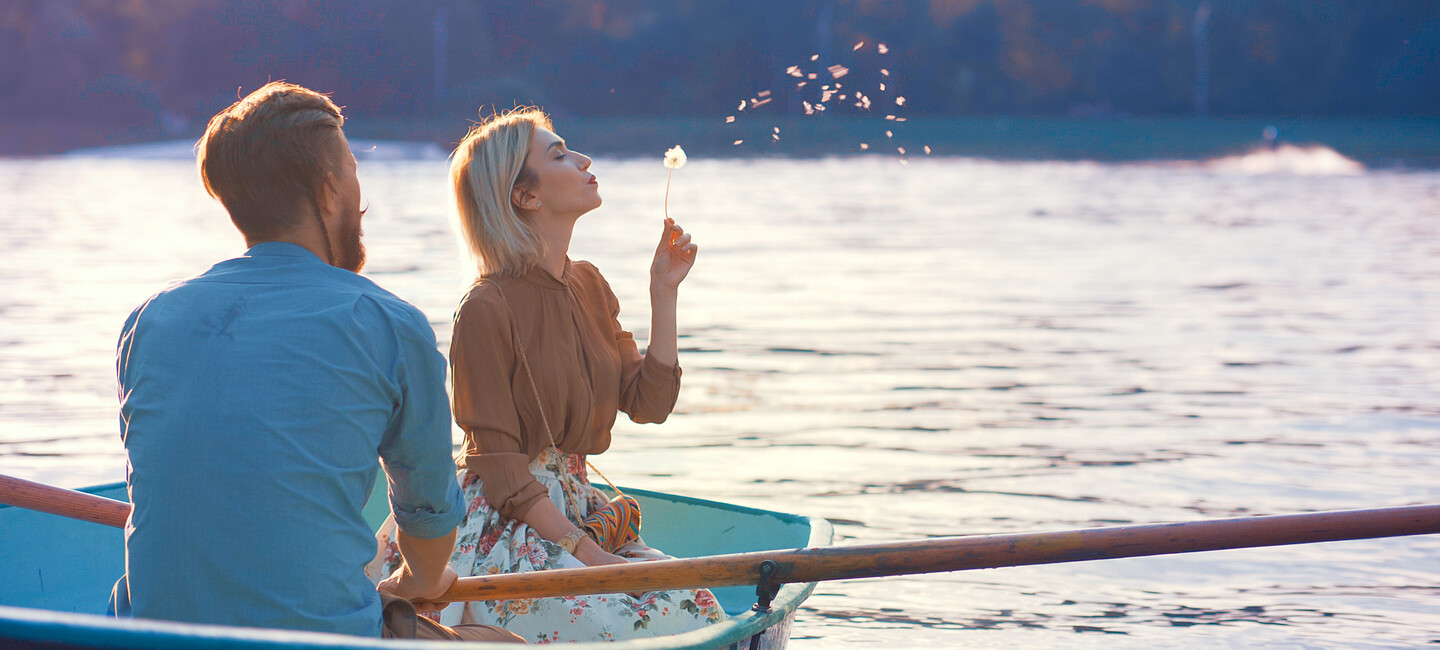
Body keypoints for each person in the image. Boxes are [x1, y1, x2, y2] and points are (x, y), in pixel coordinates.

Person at [109, 81, 521, 643]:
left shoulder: (148, 321)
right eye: (353, 171)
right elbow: (428, 523)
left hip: (147, 636)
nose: (361, 194)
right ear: (329, 192)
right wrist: (420, 578)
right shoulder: (387, 322)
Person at [378, 108, 724, 642]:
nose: (585, 160)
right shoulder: (485, 307)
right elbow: (499, 468)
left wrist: (664, 291)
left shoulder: (588, 283)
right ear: (526, 197)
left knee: (697, 608)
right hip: (502, 523)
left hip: (576, 508)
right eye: (559, 154)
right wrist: (590, 556)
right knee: (619, 625)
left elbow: (649, 403)